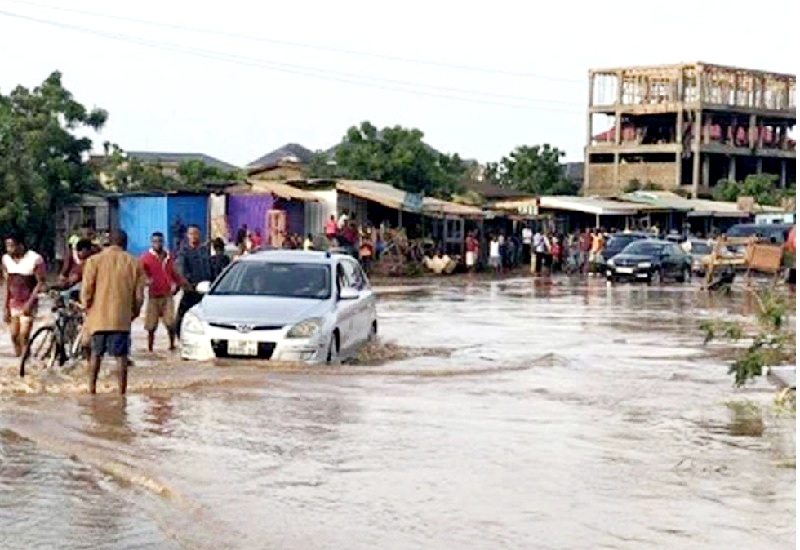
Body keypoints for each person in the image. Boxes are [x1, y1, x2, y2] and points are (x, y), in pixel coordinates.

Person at [81, 230, 145, 395]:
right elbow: (139, 296)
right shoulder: (134, 262)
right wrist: (133, 313)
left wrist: (87, 307)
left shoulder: (94, 261)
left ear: (109, 242)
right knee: (121, 356)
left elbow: (87, 290)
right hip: (121, 318)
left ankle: (92, 389)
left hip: (98, 317)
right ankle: (121, 392)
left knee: (96, 354)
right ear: (125, 243)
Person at [2, 235, 46, 357]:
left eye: (11, 246)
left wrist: (30, 303)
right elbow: (7, 283)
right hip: (13, 302)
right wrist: (5, 306)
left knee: (24, 335)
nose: (9, 249)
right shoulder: (6, 259)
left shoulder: (35, 259)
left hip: (28, 301)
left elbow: (40, 282)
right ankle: (19, 358)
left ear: (20, 245)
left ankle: (25, 362)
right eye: (7, 246)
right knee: (14, 335)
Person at [140, 232, 182, 353]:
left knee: (170, 323)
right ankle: (150, 348)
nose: (157, 244)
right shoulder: (145, 258)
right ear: (151, 243)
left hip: (167, 295)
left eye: (159, 241)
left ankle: (172, 345)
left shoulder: (169, 257)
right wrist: (146, 280)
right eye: (155, 241)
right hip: (153, 296)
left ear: (163, 242)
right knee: (151, 325)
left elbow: (175, 273)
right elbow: (140, 274)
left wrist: (177, 285)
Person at [175, 225, 212, 337]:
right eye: (191, 234)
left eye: (195, 233)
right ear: (187, 236)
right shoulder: (184, 252)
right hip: (191, 290)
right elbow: (181, 271)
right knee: (182, 316)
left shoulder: (204, 251)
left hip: (205, 290)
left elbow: (209, 269)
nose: (194, 236)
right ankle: (179, 338)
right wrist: (187, 284)